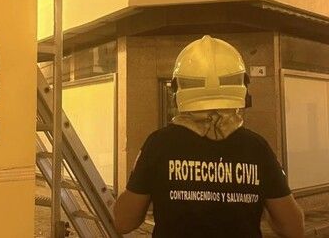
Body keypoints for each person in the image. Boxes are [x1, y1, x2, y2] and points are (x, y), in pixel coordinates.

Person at [114, 35, 305, 237]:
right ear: (242, 87)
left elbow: (124, 222)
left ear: (177, 89)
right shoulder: (257, 148)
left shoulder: (158, 145)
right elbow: (293, 228)